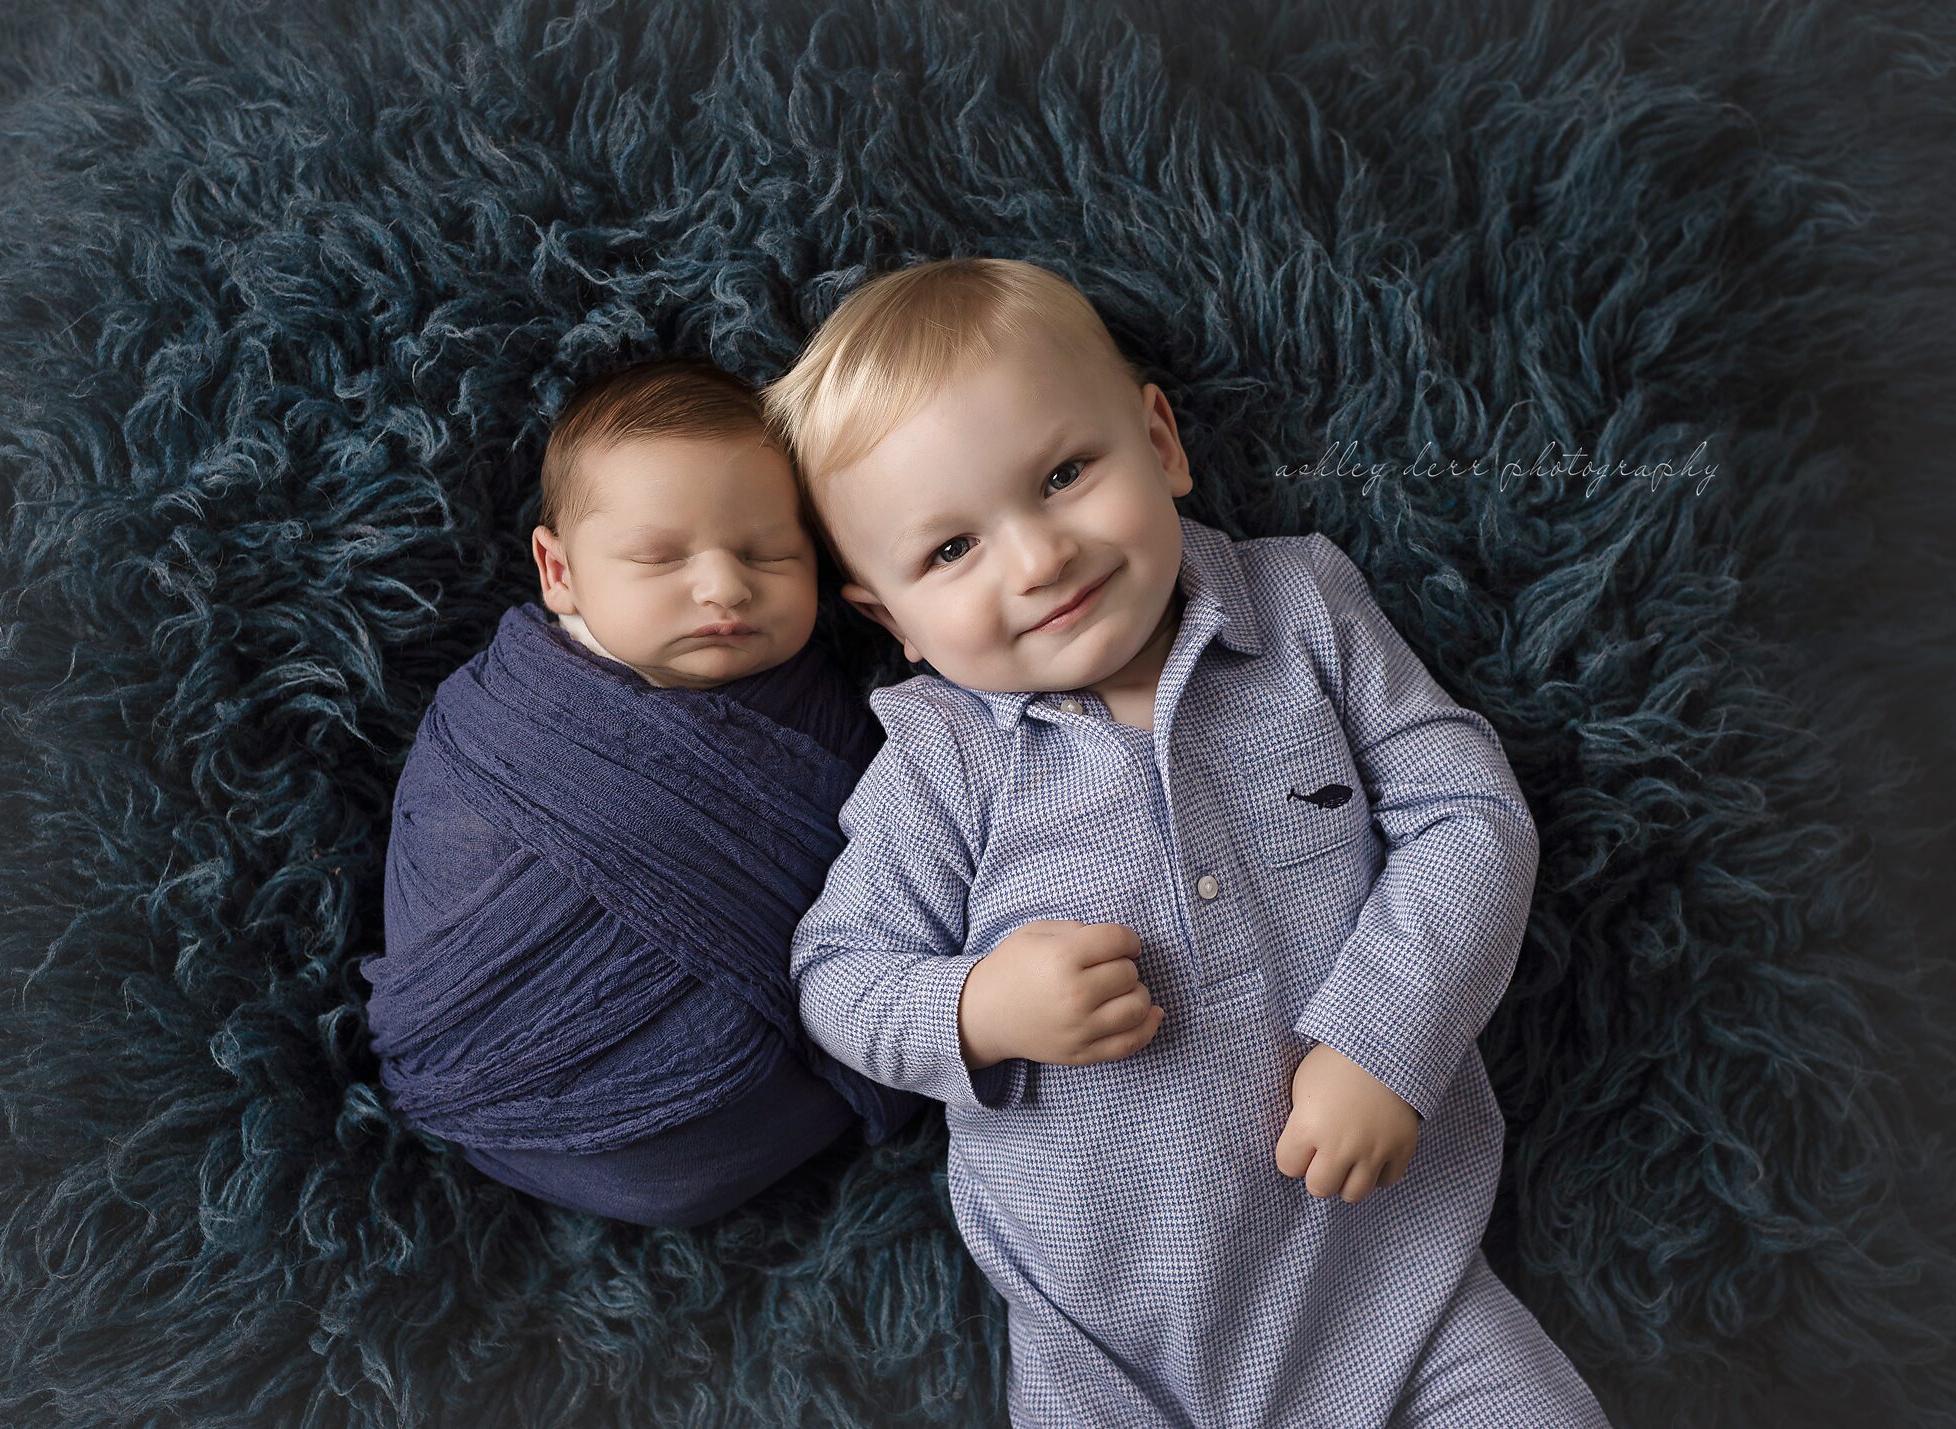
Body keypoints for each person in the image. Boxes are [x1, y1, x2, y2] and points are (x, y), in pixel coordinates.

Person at [760, 258, 1613, 1426]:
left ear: (1158, 441)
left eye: (1063, 474)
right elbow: (836, 977)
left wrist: (1382, 1040)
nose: (1037, 557)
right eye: (948, 551)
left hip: (1398, 1293)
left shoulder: (1302, 611)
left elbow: (1467, 816)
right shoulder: (937, 759)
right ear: (886, 618)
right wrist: (978, 1009)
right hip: (1106, 1351)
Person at [362, 356, 922, 1227]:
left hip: (765, 1116)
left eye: (770, 552)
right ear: (559, 572)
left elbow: (896, 911)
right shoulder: (499, 718)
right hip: (498, 1083)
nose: (726, 586)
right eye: (661, 557)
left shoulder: (840, 720)